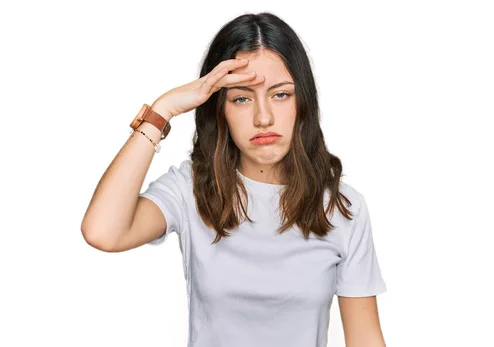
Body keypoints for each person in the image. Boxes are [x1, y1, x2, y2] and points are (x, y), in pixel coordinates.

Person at [81, 12, 387, 347]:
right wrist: (163, 109)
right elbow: (103, 232)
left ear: (303, 103)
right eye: (241, 98)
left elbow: (365, 339)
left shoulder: (343, 208)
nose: (263, 117)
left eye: (281, 94)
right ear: (220, 110)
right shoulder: (190, 189)